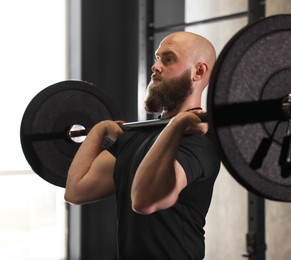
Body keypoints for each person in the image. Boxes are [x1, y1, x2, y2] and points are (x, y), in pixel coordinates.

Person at [64, 31, 221, 260]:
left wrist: (177, 126)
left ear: (198, 71)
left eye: (168, 59)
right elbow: (76, 190)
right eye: (157, 58)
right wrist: (98, 131)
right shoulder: (137, 136)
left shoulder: (198, 143)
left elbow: (144, 201)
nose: (155, 66)